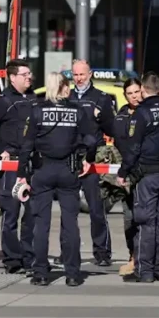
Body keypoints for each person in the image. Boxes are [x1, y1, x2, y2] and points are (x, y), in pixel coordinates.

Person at [16, 72, 97, 287]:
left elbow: (26, 146)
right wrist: (87, 159)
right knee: (70, 223)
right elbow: (91, 139)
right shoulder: (76, 111)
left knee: (41, 224)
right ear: (62, 87)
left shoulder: (37, 111)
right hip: (68, 170)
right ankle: (72, 273)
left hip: (42, 170)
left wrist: (21, 174)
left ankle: (41, 272)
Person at [118, 72, 159, 283]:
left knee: (146, 223)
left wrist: (123, 172)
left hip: (147, 176)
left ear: (143, 90)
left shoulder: (141, 114)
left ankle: (145, 271)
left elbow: (133, 148)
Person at [0, 59, 36, 275]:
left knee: (32, 212)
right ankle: (12, 260)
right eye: (24, 74)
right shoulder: (3, 101)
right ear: (12, 78)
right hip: (11, 163)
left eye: (30, 74)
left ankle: (30, 258)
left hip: (31, 163)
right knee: (11, 212)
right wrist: (0, 148)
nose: (29, 77)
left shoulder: (33, 99)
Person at [68, 59, 116, 267]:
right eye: (75, 75)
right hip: (69, 157)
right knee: (68, 210)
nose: (78, 78)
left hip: (92, 160)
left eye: (82, 74)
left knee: (96, 209)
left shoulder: (102, 99)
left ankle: (102, 252)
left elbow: (111, 128)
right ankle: (68, 251)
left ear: (90, 74)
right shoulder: (66, 97)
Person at [111, 78, 143, 277]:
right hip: (128, 173)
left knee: (145, 218)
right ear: (125, 96)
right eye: (130, 93)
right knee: (129, 218)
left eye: (137, 92)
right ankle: (133, 256)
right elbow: (120, 142)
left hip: (145, 172)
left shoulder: (146, 112)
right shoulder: (121, 115)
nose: (134, 96)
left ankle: (144, 258)